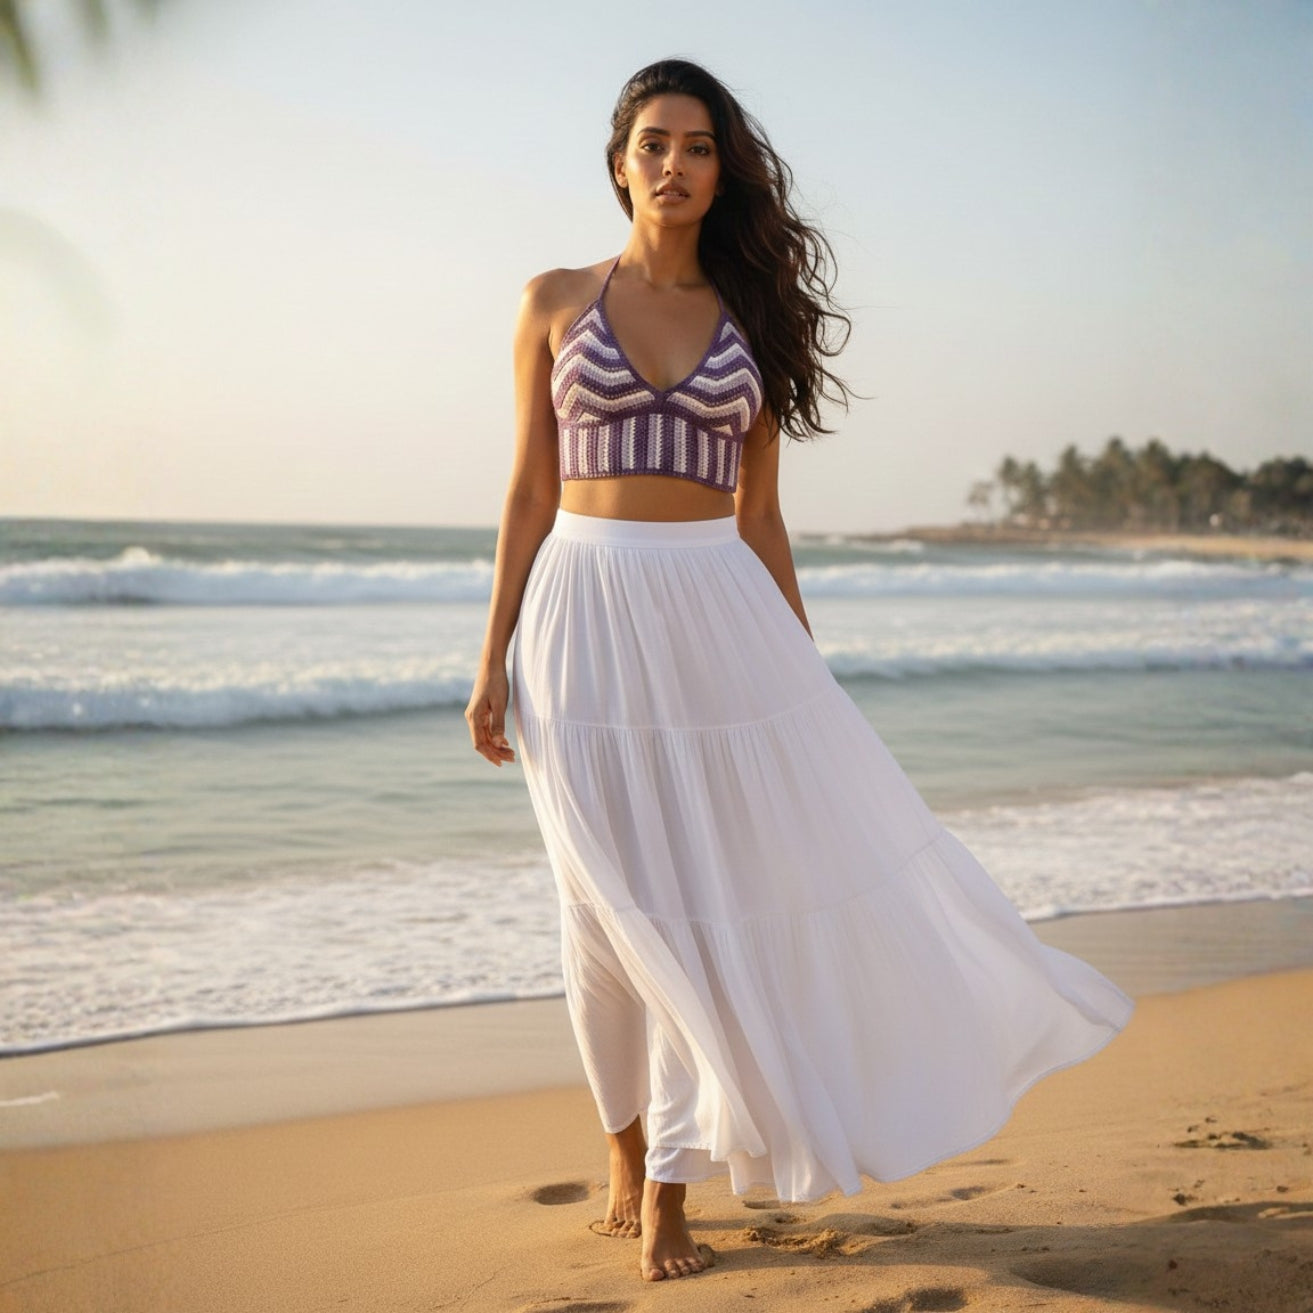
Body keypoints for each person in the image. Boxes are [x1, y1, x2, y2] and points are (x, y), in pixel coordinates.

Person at [465, 58, 1134, 1285]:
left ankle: (668, 1186)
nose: (675, 165)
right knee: (597, 911)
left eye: (699, 146)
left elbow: (762, 518)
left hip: (719, 616)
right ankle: (620, 1152)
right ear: (618, 161)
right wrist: (490, 653)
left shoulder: (748, 323)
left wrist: (801, 664)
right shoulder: (552, 300)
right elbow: (524, 490)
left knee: (686, 909)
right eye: (655, 144)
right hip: (579, 617)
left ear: (724, 171)